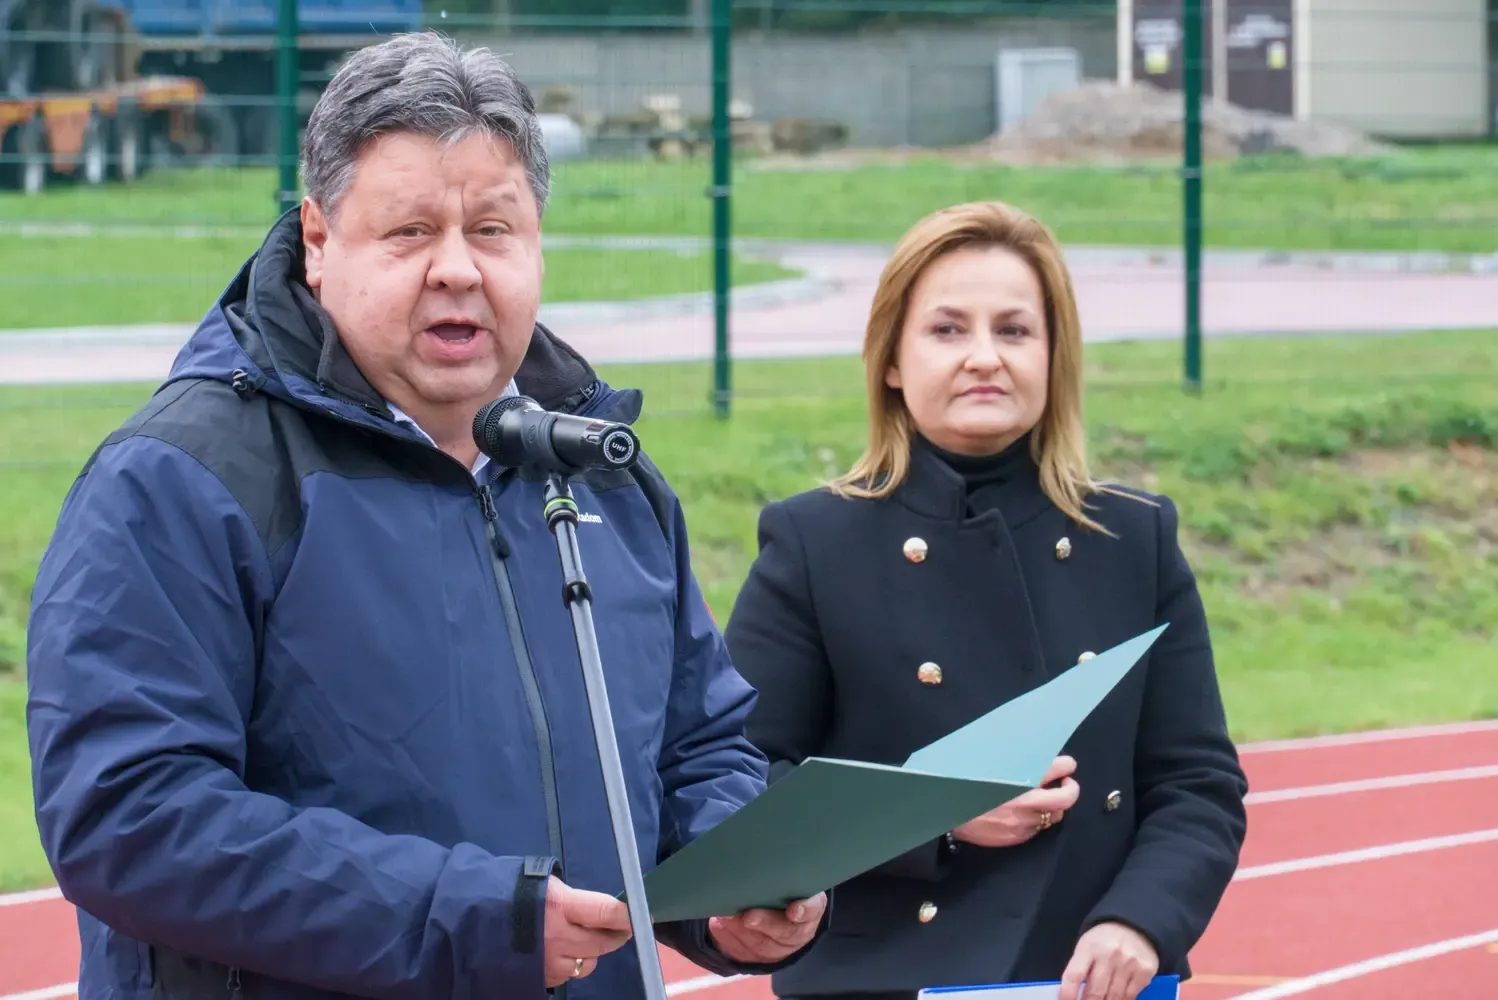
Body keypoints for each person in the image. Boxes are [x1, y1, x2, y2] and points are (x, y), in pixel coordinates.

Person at [25, 30, 826, 1000]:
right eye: (409, 231)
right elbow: (130, 818)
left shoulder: (602, 474)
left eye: (492, 230)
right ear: (318, 243)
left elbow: (698, 746)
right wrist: (467, 919)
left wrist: (736, 875)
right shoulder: (181, 480)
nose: (457, 269)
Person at [721, 201, 1249, 1000]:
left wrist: (1138, 923)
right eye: (947, 330)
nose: (984, 357)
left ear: (1053, 356)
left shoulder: (1134, 537)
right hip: (884, 978)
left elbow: (1197, 783)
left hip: (1077, 978)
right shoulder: (814, 540)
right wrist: (935, 814)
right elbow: (745, 779)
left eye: (1014, 330)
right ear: (891, 361)